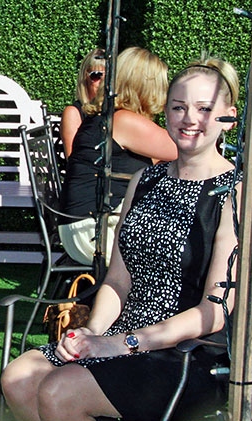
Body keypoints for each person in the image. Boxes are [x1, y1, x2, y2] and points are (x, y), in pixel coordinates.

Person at [0, 54, 240, 421]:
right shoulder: (144, 182)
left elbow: (215, 310)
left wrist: (119, 343)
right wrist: (92, 332)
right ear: (166, 113)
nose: (190, 119)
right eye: (178, 107)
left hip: (186, 352)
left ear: (229, 116)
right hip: (121, 335)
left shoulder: (232, 194)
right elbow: (117, 280)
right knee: (17, 379)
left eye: (204, 108)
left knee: (58, 391)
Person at [58, 47, 178, 266]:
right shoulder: (122, 121)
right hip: (96, 232)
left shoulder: (106, 117)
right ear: (145, 86)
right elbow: (185, 148)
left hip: (81, 227)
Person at [60, 48, 105, 158]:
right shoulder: (73, 113)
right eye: (96, 75)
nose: (103, 82)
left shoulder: (119, 112)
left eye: (108, 76)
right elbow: (73, 160)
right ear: (85, 78)